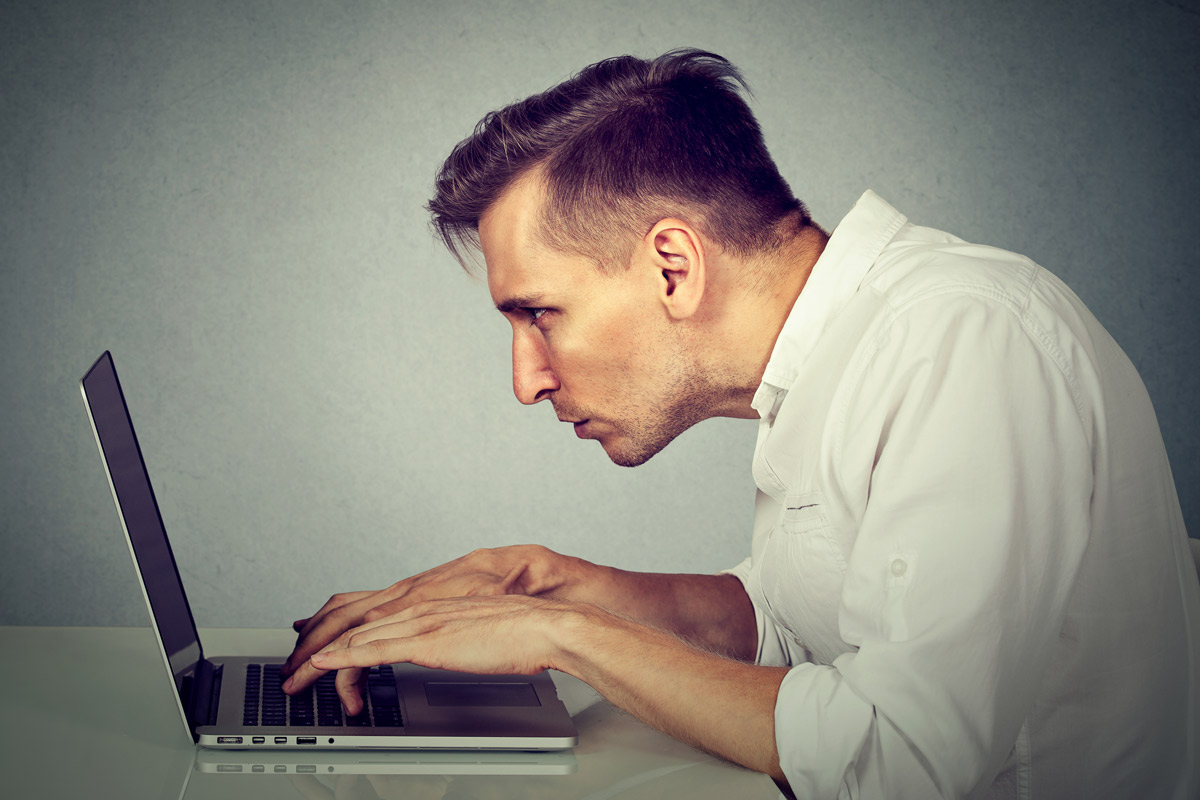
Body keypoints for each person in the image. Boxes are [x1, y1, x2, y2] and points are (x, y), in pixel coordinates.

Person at [281, 49, 1199, 798]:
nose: (526, 381)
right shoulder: (836, 352)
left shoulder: (962, 341)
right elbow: (801, 627)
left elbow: (902, 761)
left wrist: (563, 641)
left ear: (673, 266)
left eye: (539, 314)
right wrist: (551, 585)